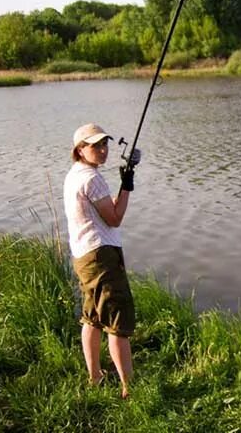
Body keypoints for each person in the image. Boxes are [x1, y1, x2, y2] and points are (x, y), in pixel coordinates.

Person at [63, 123, 140, 399]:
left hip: (83, 256)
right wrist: (127, 184)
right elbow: (115, 218)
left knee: (92, 318)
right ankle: (130, 389)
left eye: (105, 144)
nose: (103, 149)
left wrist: (124, 181)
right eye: (95, 146)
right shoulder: (92, 179)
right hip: (101, 256)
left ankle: (95, 376)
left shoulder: (74, 175)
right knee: (117, 322)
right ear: (80, 150)